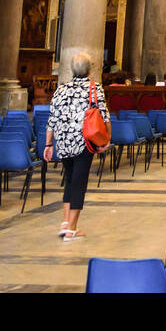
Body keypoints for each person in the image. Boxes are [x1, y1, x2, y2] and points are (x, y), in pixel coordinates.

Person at [44, 52, 109, 241]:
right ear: (90, 70)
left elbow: (52, 120)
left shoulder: (61, 89)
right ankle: (71, 229)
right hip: (84, 142)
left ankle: (66, 222)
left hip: (63, 142)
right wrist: (105, 139)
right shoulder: (95, 89)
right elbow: (104, 117)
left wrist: (48, 143)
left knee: (70, 180)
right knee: (79, 183)